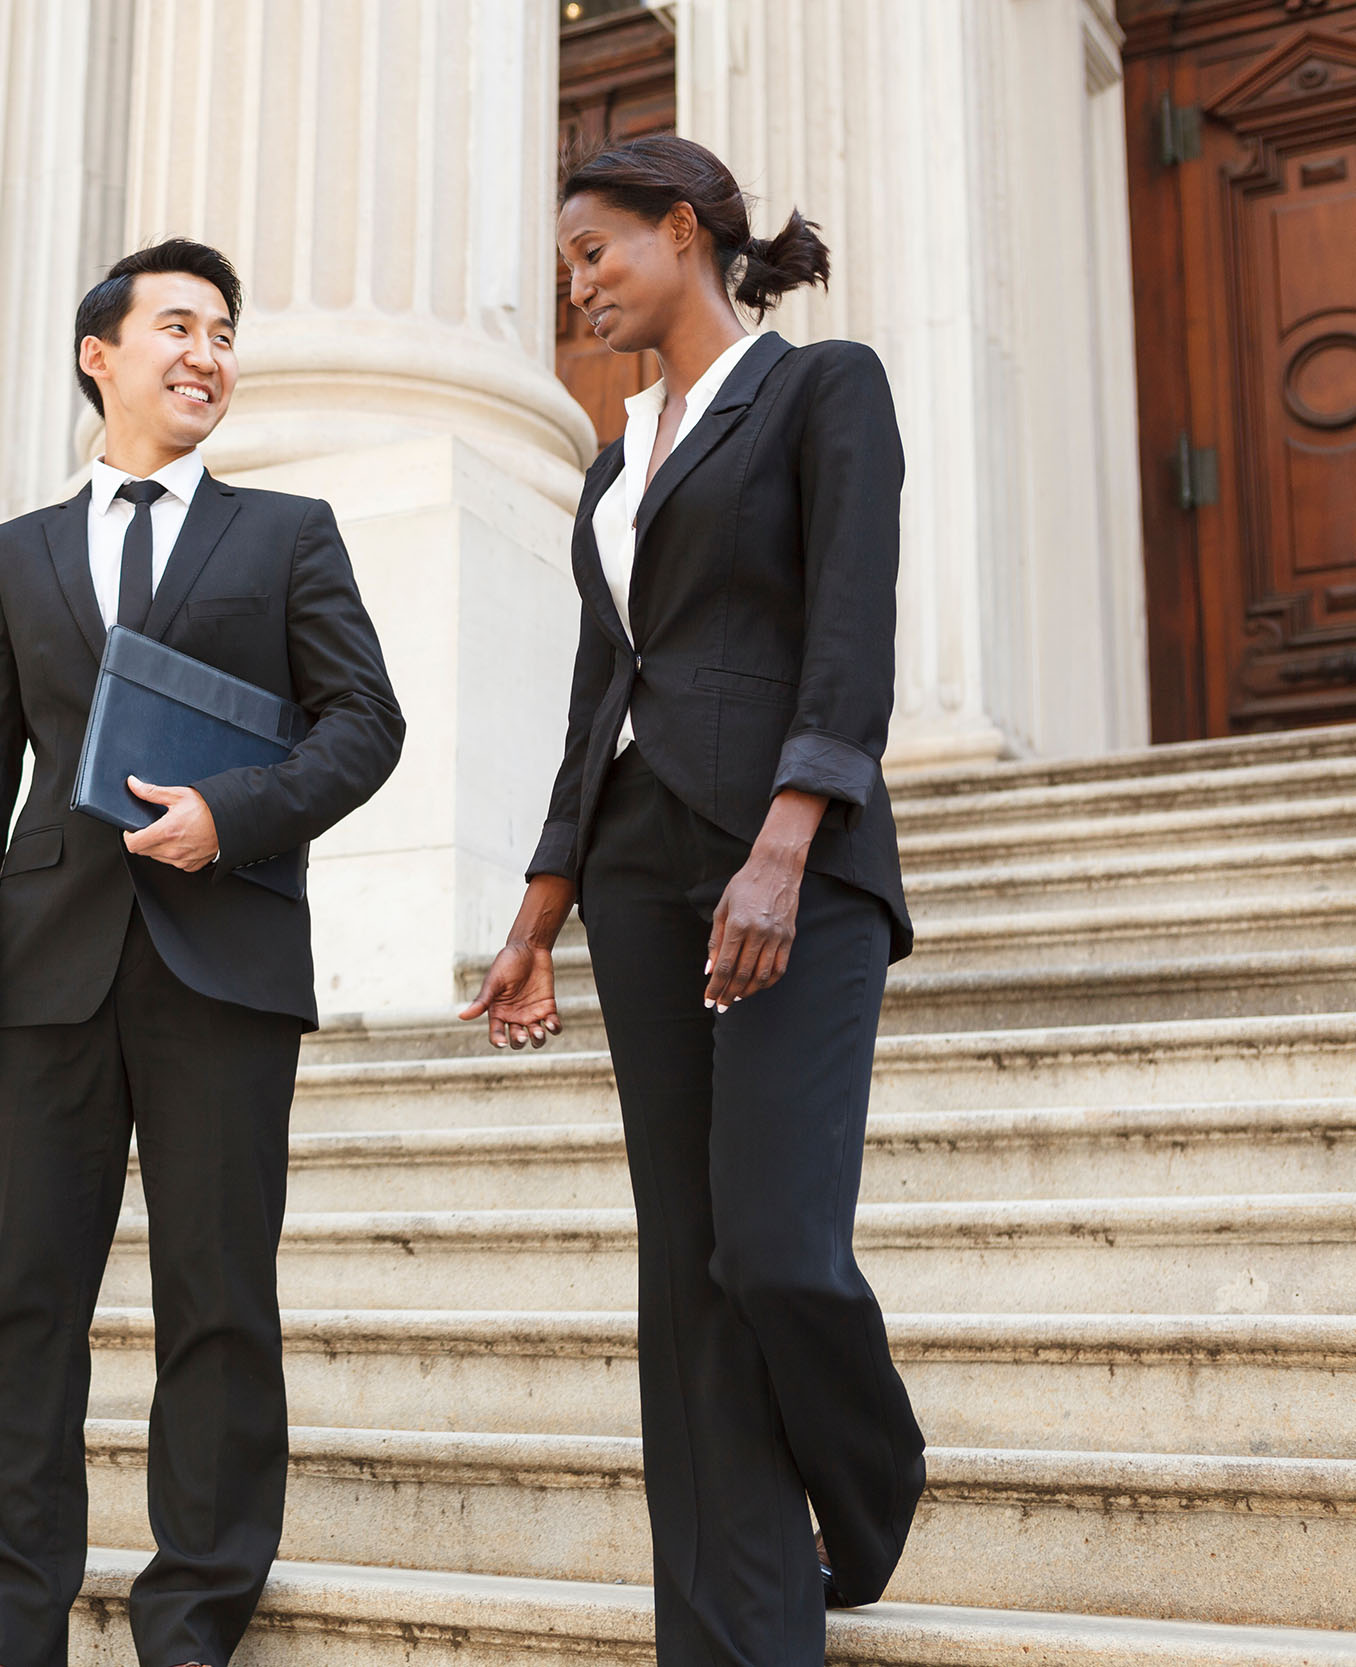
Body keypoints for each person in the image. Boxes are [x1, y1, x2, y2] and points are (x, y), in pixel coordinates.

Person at [461, 136, 927, 1664]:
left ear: (682, 231)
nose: (576, 286)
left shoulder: (820, 388)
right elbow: (604, 683)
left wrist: (790, 839)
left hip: (785, 862)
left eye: (595, 252)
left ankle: (870, 1493)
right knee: (688, 1268)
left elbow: (848, 626)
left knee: (775, 1248)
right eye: (563, 267)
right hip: (642, 872)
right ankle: (731, 1634)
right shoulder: (612, 458)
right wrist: (540, 908)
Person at [0, 238, 403, 1667]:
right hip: (51, 964)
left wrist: (229, 816)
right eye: (178, 327)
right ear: (101, 356)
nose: (208, 353)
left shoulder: (289, 535)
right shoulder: (16, 559)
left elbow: (364, 724)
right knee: (20, 1304)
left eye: (226, 333)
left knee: (218, 1302)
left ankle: (191, 1621)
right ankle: (7, 1621)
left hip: (226, 963)